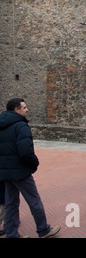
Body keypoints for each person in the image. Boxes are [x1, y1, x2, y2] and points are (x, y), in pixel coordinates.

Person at [0, 98, 60, 238]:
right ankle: (43, 229)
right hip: (20, 171)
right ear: (17, 110)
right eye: (24, 107)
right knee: (34, 201)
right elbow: (25, 151)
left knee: (11, 203)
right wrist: (34, 164)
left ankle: (12, 233)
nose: (27, 109)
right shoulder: (20, 126)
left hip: (5, 171)